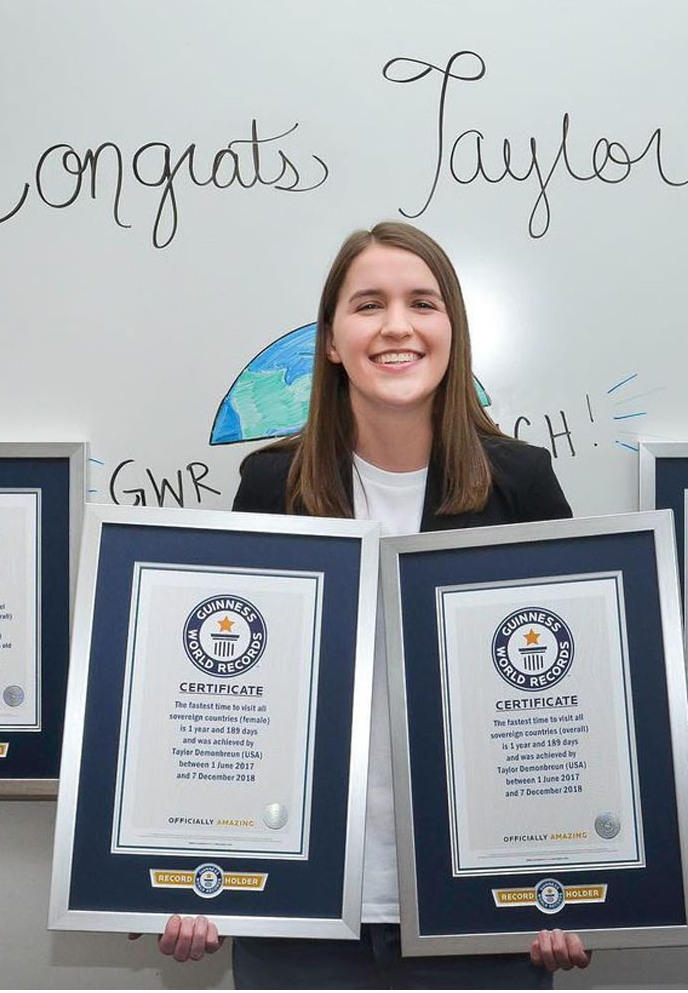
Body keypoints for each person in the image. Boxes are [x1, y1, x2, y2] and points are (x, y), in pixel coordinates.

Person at [141, 221, 590, 987]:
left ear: (453, 332)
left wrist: (579, 879)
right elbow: (218, 690)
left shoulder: (522, 484)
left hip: (483, 912)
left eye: (423, 302)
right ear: (329, 341)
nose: (396, 326)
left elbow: (576, 698)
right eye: (368, 304)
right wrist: (191, 867)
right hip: (302, 912)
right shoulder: (268, 488)